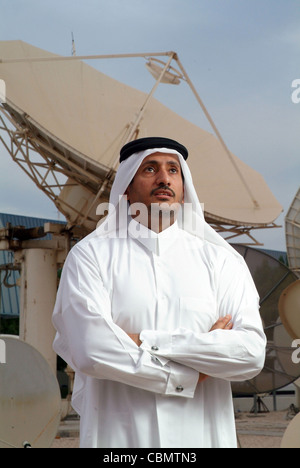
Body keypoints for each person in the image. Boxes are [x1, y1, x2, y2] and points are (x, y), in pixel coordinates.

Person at [52, 136, 266, 448]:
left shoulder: (222, 261)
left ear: (183, 188)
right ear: (126, 186)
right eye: (150, 169)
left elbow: (249, 352)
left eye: (173, 170)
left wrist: (145, 340)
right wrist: (195, 368)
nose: (164, 178)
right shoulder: (90, 256)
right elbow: (91, 349)